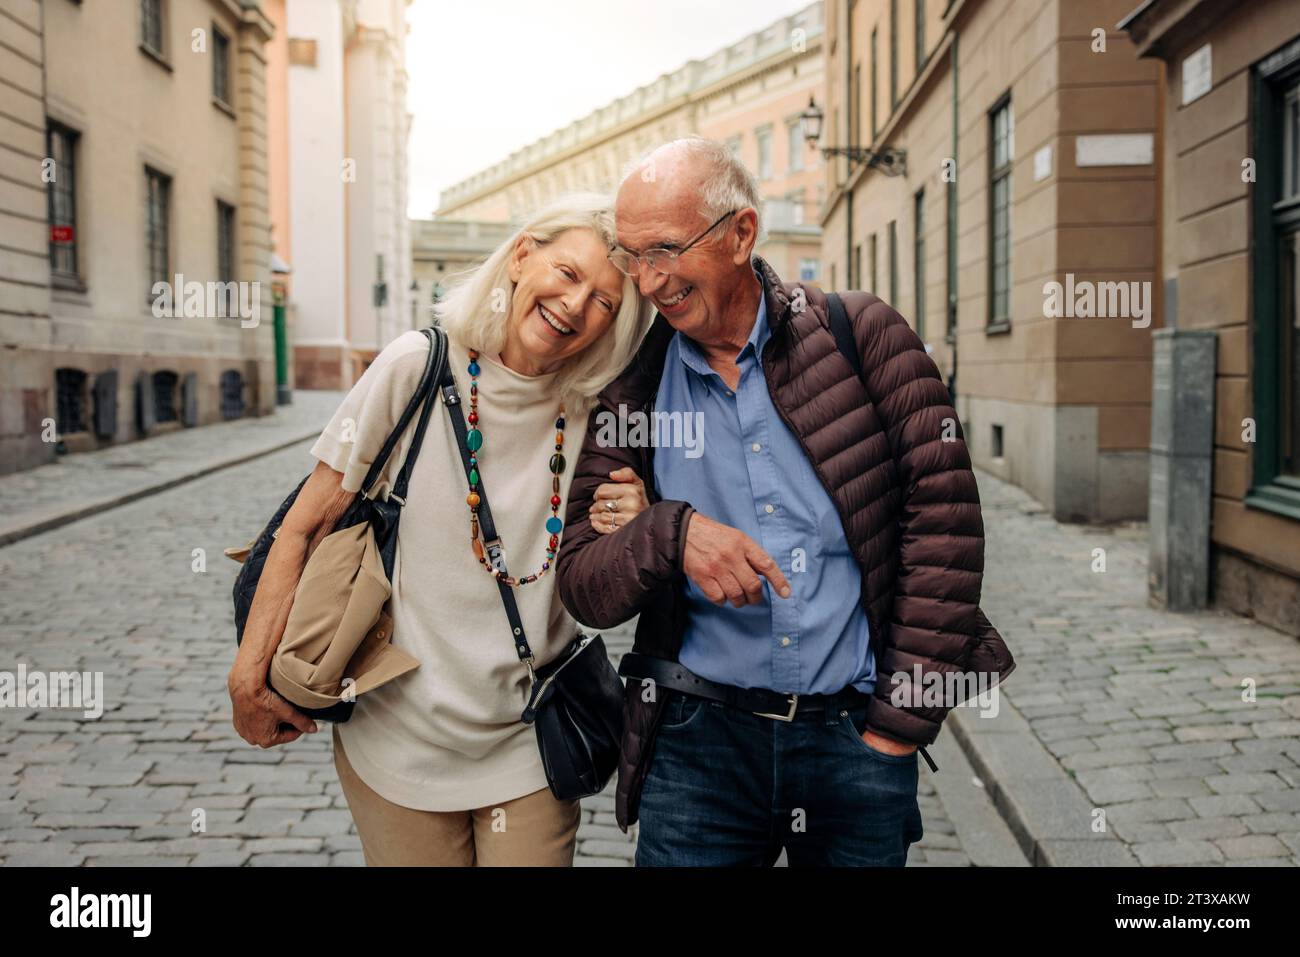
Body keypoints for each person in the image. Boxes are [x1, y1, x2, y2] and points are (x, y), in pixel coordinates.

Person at [556, 138, 1015, 867]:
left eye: (667, 250)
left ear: (741, 234)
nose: (648, 280)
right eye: (632, 254)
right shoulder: (631, 393)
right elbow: (584, 584)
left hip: (853, 741)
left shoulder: (863, 335)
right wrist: (672, 533)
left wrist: (898, 726)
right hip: (698, 747)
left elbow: (946, 529)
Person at [228, 194, 653, 866]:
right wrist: (247, 679)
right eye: (568, 274)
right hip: (399, 739)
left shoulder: (600, 411)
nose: (576, 305)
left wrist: (636, 514)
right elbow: (304, 526)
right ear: (521, 257)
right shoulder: (415, 366)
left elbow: (621, 557)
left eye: (603, 300)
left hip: (528, 740)